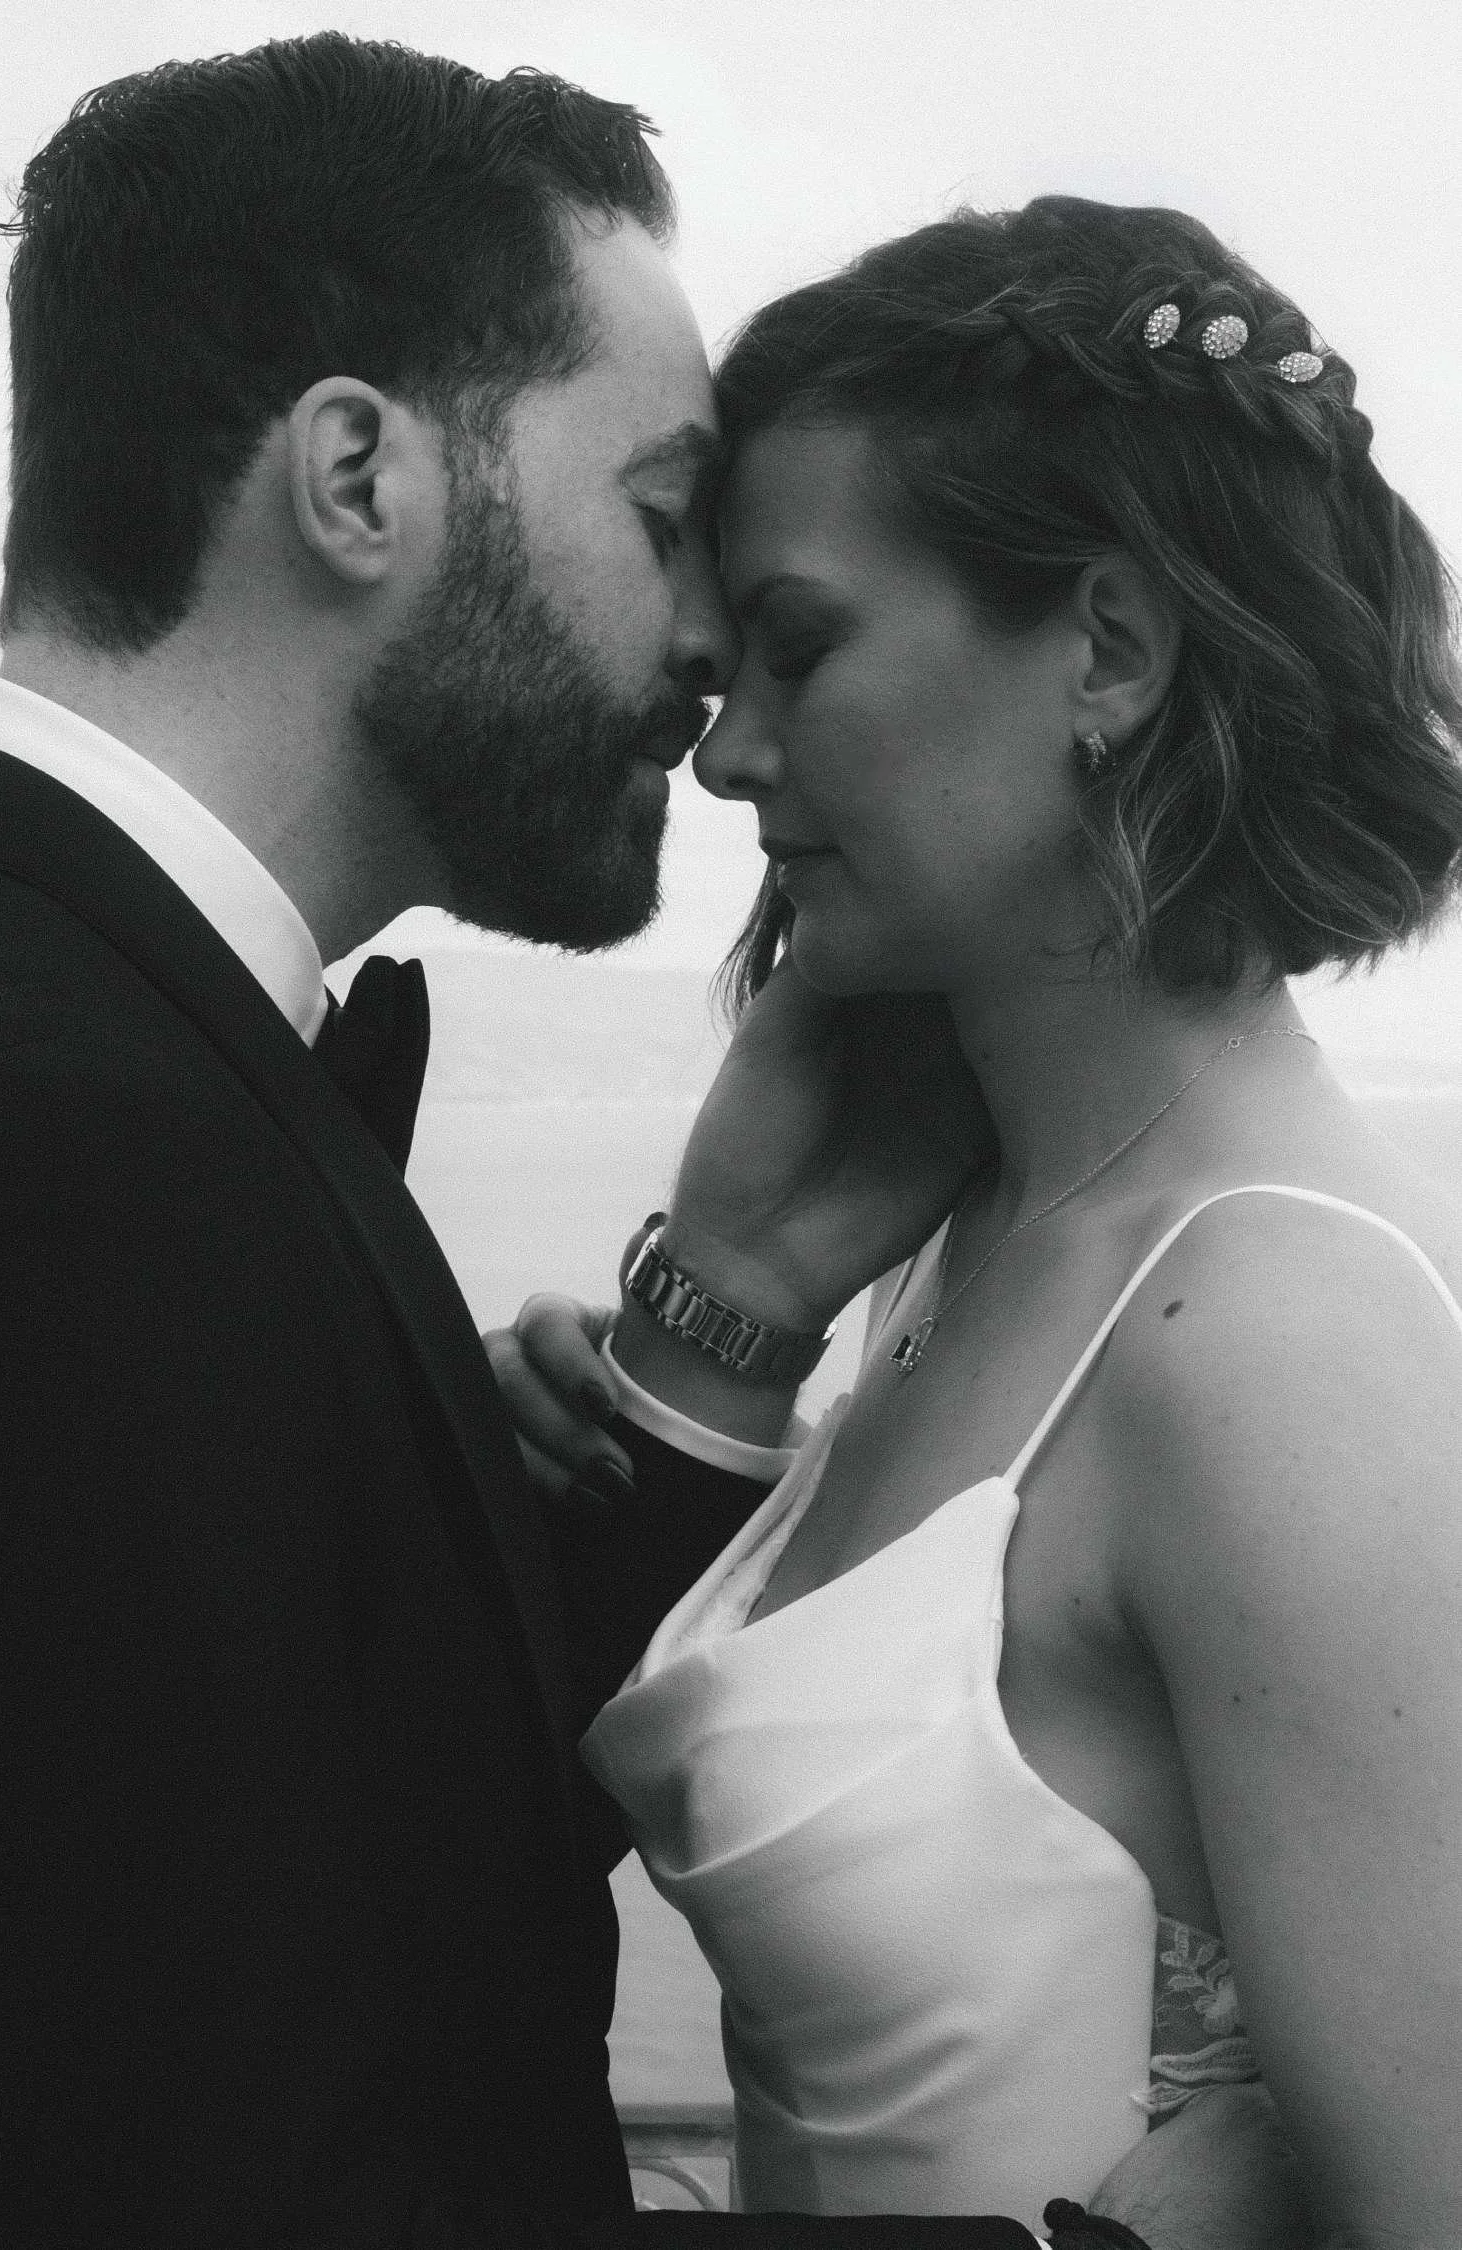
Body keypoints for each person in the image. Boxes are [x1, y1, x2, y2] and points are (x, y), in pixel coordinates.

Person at [0, 33, 1233, 2250]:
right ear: (358, 478)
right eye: (661, 521)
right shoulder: (54, 1149)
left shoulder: (126, 1065)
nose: (714, 649)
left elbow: (315, 1900)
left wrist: (714, 1322)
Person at [498, 196, 1462, 2248]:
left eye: (803, 646)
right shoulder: (966, 1242)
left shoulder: (1277, 1340)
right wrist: (700, 1336)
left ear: (1107, 648)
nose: (728, 749)